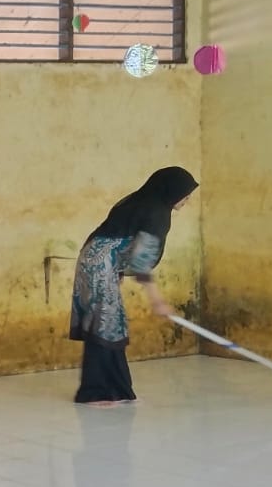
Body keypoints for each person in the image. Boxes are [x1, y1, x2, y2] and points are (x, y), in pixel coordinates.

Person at [69, 166, 199, 407]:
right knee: (104, 325)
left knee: (110, 324)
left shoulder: (139, 201)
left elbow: (113, 231)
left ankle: (118, 390)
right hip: (100, 264)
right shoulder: (157, 212)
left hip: (95, 259)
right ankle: (93, 393)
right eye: (185, 194)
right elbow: (141, 259)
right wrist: (156, 299)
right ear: (171, 191)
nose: (187, 200)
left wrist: (117, 270)